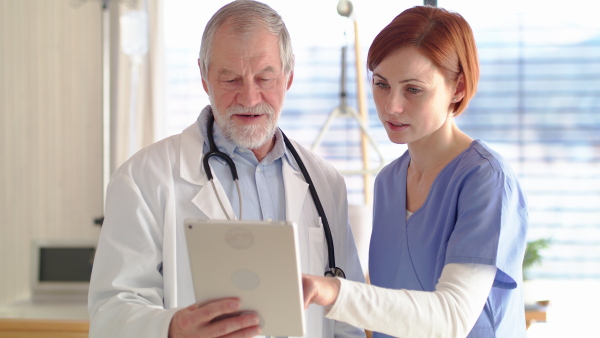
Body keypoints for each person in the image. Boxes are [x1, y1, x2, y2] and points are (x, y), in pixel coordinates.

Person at [88, 1, 366, 337]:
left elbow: (346, 317)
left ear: (289, 77)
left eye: (265, 77)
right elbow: (110, 311)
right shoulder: (144, 179)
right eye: (230, 79)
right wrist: (172, 328)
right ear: (204, 78)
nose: (249, 98)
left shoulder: (325, 183)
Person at [302, 5, 529, 338]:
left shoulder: (485, 181)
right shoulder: (388, 183)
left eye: (413, 89)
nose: (391, 106)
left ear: (459, 88)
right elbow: (390, 309)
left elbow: (452, 317)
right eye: (381, 84)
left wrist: (334, 292)